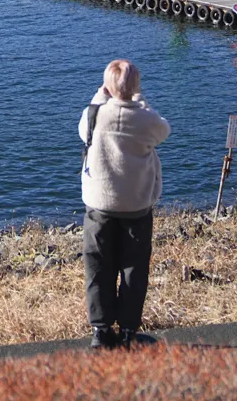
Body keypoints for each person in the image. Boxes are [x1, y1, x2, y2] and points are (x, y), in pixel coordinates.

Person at [79, 59, 171, 349]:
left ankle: (101, 331)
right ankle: (129, 332)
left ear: (107, 86)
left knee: (98, 266)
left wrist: (100, 95)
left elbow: (83, 132)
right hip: (137, 205)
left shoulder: (95, 114)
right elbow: (163, 131)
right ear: (136, 87)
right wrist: (140, 100)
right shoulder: (146, 120)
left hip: (99, 205)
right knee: (134, 268)